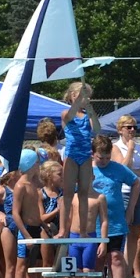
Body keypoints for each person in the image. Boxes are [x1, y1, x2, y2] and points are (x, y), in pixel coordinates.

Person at [89, 134, 140, 278]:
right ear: (93, 154)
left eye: (107, 157)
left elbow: (136, 183)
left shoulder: (117, 169)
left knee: (116, 258)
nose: (104, 161)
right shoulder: (86, 170)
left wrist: (130, 209)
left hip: (115, 222)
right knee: (96, 261)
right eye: (100, 157)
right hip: (92, 224)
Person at [111, 114, 140, 278]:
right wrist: (129, 149)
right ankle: (119, 269)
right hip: (123, 192)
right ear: (120, 129)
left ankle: (128, 271)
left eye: (134, 127)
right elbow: (122, 166)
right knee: (123, 230)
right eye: (128, 127)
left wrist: (134, 173)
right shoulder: (116, 147)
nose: (132, 130)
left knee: (136, 231)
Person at [59, 81, 97, 239]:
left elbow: (97, 130)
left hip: (86, 156)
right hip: (72, 156)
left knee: (83, 193)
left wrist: (91, 111)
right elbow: (70, 115)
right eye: (84, 96)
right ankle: (62, 230)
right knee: (67, 194)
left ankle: (82, 230)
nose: (86, 99)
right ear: (74, 96)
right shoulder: (65, 113)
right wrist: (78, 99)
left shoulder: (87, 115)